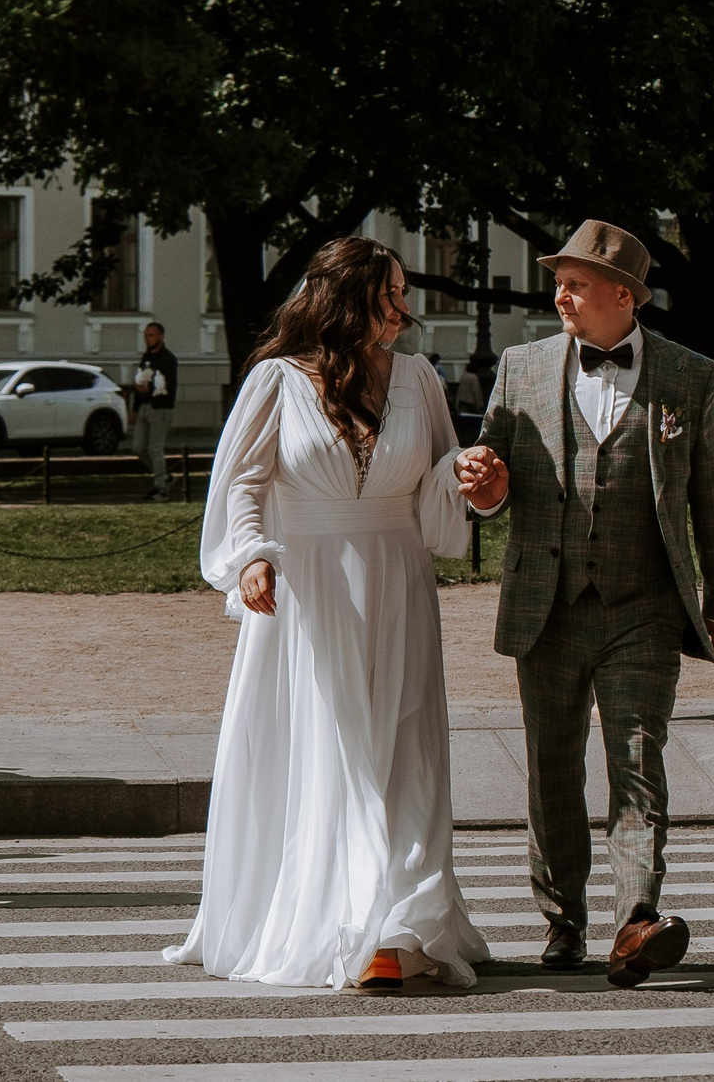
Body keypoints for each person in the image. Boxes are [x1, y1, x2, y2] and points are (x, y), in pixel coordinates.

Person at [169, 238, 489, 993]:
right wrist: (251, 554)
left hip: (398, 580)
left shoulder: (418, 378)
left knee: (403, 749)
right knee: (332, 750)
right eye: (389, 295)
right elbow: (243, 481)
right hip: (306, 586)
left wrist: (472, 475)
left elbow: (441, 482)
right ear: (345, 299)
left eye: (403, 293)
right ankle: (344, 920)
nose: (403, 310)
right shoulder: (275, 380)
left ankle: (400, 923)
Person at [451, 220, 714, 990]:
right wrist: (482, 486)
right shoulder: (521, 366)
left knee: (638, 760)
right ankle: (562, 916)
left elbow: (709, 495)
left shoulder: (687, 373)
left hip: (642, 605)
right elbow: (493, 474)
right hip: (546, 601)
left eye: (575, 282)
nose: (561, 294)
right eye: (560, 280)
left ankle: (636, 919)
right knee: (551, 767)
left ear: (624, 295)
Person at [132, 322, 180, 499]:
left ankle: (160, 489)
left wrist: (150, 390)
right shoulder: (146, 357)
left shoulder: (168, 359)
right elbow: (140, 380)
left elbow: (169, 387)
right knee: (138, 447)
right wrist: (135, 408)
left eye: (152, 335)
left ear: (161, 337)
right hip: (145, 407)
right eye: (146, 335)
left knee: (155, 448)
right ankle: (164, 476)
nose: (148, 338)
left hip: (160, 409)